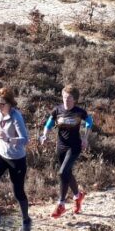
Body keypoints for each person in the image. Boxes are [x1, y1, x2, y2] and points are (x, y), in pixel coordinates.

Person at [0, 88, 32, 231]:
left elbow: (25, 140)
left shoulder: (17, 117)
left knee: (18, 192)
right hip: (1, 155)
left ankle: (26, 220)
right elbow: (0, 129)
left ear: (10, 103)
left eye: (2, 104)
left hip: (16, 159)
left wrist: (8, 139)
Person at [40, 85, 92, 218]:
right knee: (67, 173)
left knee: (63, 172)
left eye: (69, 98)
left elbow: (89, 122)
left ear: (75, 99)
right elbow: (49, 123)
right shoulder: (57, 110)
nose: (66, 101)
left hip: (74, 146)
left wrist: (85, 138)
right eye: (64, 98)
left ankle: (61, 204)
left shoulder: (79, 111)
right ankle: (78, 196)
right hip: (61, 146)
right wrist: (45, 135)